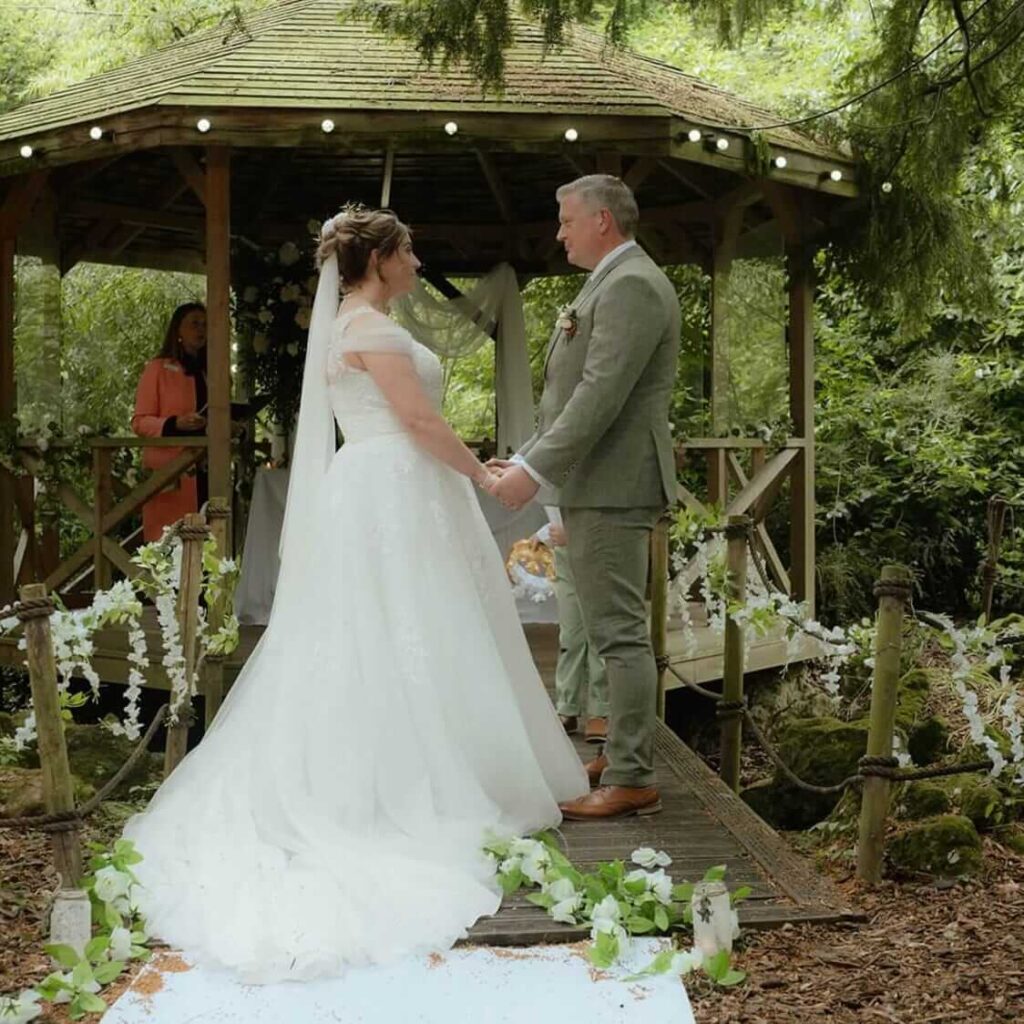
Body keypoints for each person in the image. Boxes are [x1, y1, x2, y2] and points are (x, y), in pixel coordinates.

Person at [123, 206, 587, 983]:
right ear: (380, 260)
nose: (415, 262)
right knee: (402, 624)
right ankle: (407, 777)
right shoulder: (369, 329)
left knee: (403, 629)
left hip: (384, 487)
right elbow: (415, 418)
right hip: (393, 487)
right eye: (408, 251)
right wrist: (484, 476)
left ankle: (429, 753)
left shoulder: (351, 322)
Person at [489, 175, 680, 821]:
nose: (560, 232)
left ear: (602, 220)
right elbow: (572, 397)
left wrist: (533, 471)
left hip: (615, 484)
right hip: (598, 482)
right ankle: (621, 754)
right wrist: (521, 458)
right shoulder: (612, 281)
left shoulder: (630, 285)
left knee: (619, 635)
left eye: (567, 220)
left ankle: (631, 775)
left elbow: (600, 395)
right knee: (605, 632)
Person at [131, 303, 208, 542]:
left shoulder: (212, 372)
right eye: (194, 323)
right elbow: (139, 422)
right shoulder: (157, 369)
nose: (201, 329)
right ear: (178, 330)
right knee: (169, 549)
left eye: (205, 324)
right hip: (171, 475)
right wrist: (175, 424)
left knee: (209, 551)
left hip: (208, 470)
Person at [535, 515, 609, 741]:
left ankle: (600, 710)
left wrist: (575, 533)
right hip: (564, 557)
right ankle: (567, 705)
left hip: (597, 550)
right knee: (570, 636)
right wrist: (543, 535)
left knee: (597, 634)